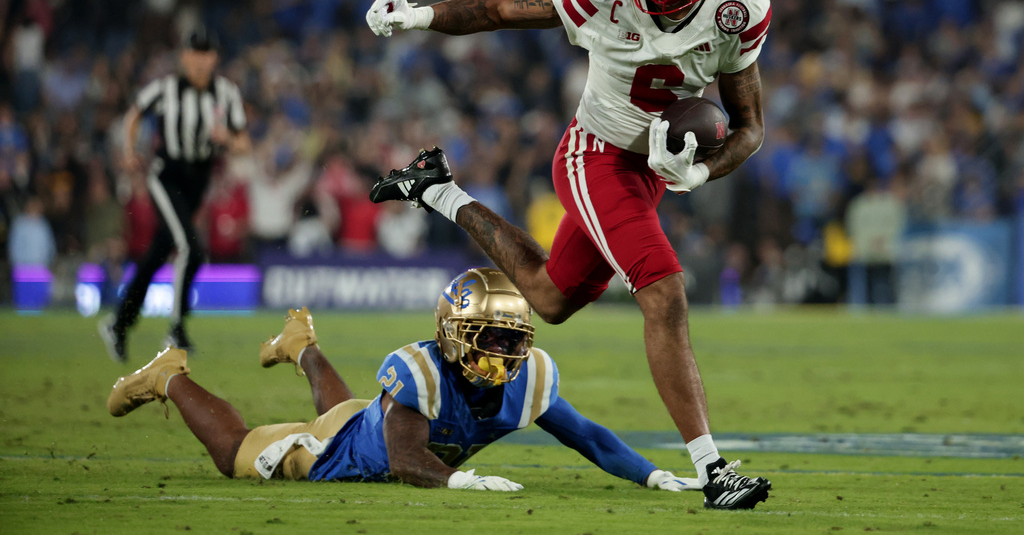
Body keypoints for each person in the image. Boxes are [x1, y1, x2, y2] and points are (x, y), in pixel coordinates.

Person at [365, 0, 771, 509]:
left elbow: (749, 128)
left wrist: (701, 174)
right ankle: (715, 470)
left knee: (550, 300)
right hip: (595, 156)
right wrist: (419, 15)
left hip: (650, 174)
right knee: (664, 293)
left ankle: (438, 192)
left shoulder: (738, 8)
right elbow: (502, 11)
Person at [106, 267, 701, 495]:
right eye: (489, 336)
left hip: (375, 423)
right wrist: (462, 483)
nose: (503, 350)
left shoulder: (529, 378)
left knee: (354, 413)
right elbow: (403, 460)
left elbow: (589, 437)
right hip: (336, 453)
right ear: (452, 334)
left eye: (511, 337)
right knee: (235, 453)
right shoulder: (419, 370)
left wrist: (651, 475)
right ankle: (168, 377)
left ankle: (301, 347)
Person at [99, 27, 250, 362]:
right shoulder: (166, 88)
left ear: (214, 58)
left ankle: (119, 323)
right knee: (191, 248)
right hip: (166, 175)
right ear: (184, 57)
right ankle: (177, 327)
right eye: (193, 54)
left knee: (156, 254)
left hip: (198, 181)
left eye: (205, 54)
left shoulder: (226, 92)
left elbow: (243, 142)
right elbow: (134, 113)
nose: (199, 61)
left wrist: (225, 137)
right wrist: (128, 148)